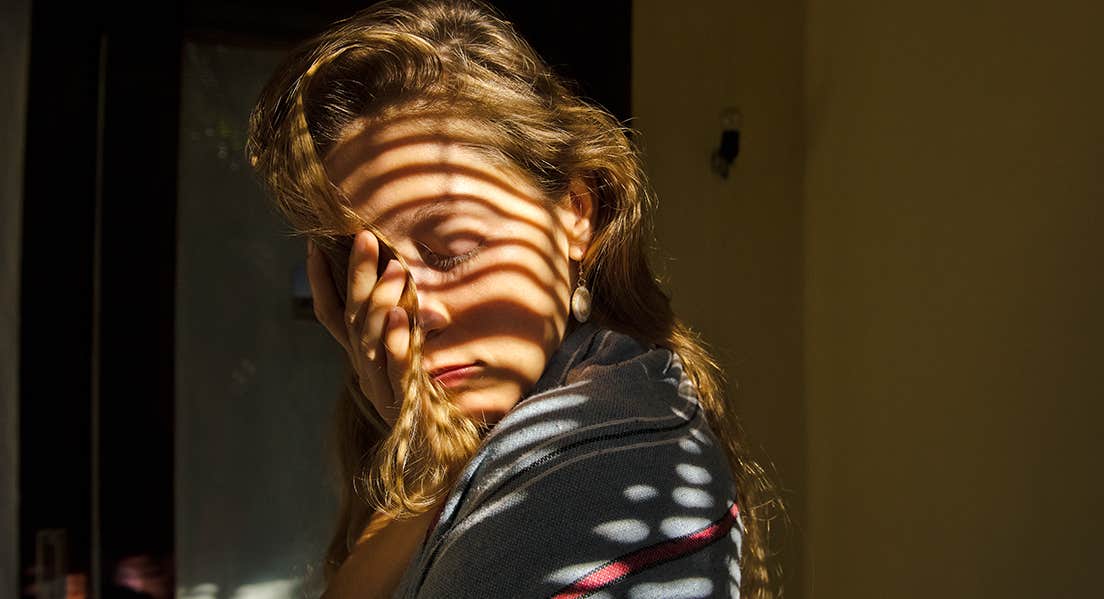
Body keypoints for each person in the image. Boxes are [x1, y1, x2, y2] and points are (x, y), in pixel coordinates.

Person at [246, 1, 782, 596]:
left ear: (576, 213)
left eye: (452, 248)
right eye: (371, 271)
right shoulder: (510, 431)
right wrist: (431, 447)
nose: (414, 309)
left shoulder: (611, 462)